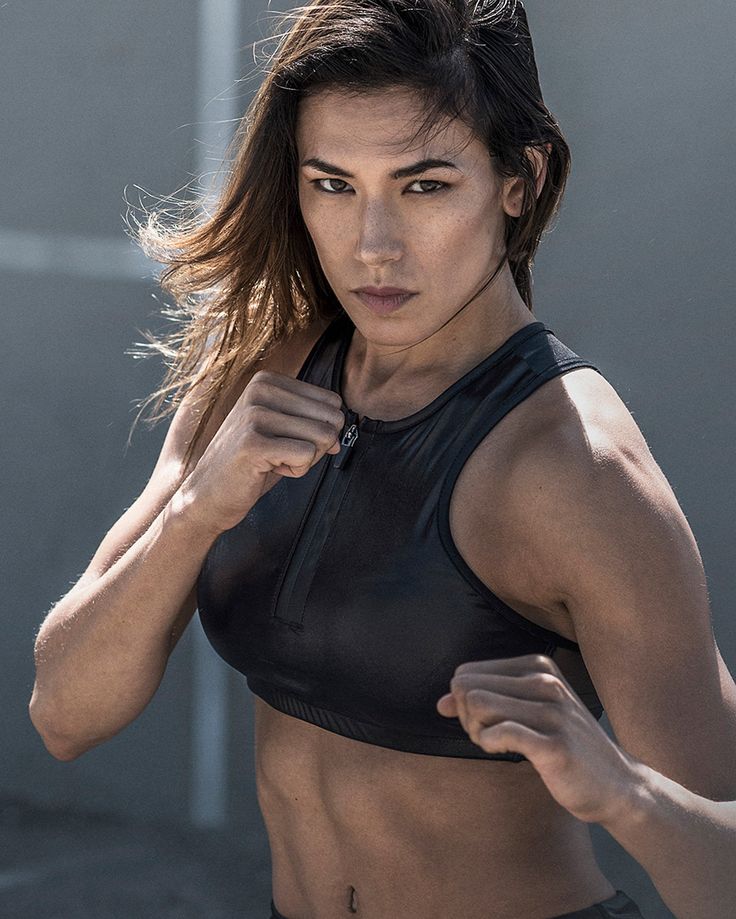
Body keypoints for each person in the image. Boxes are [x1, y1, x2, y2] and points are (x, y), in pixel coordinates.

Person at [29, 1, 736, 917]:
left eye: (424, 185)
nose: (373, 246)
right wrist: (198, 507)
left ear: (519, 179)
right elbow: (64, 714)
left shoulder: (575, 469)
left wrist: (625, 795)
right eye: (333, 184)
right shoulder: (264, 370)